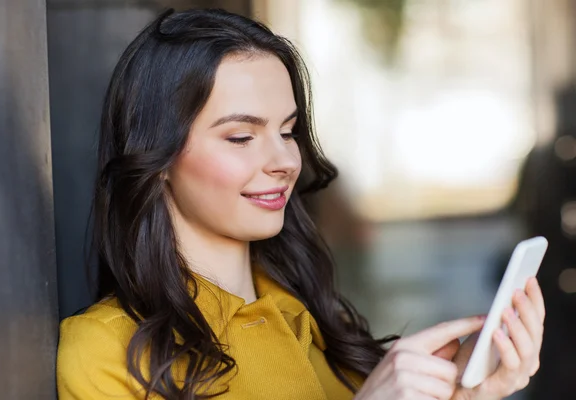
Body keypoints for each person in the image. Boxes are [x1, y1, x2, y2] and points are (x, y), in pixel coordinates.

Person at [56, 8, 545, 400]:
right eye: (242, 136)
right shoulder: (105, 351)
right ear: (157, 157)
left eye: (288, 131)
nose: (286, 160)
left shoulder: (315, 321)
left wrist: (470, 392)